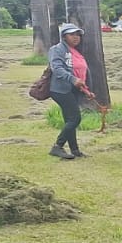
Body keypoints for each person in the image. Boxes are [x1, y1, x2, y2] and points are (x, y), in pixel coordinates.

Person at [46, 23, 91, 160]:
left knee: (69, 120)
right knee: (75, 119)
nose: (76, 37)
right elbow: (57, 68)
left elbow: (80, 74)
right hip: (61, 89)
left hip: (74, 89)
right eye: (72, 34)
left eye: (78, 34)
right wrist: (72, 79)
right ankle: (57, 146)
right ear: (64, 36)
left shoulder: (75, 51)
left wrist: (86, 90)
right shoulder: (57, 49)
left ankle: (75, 150)